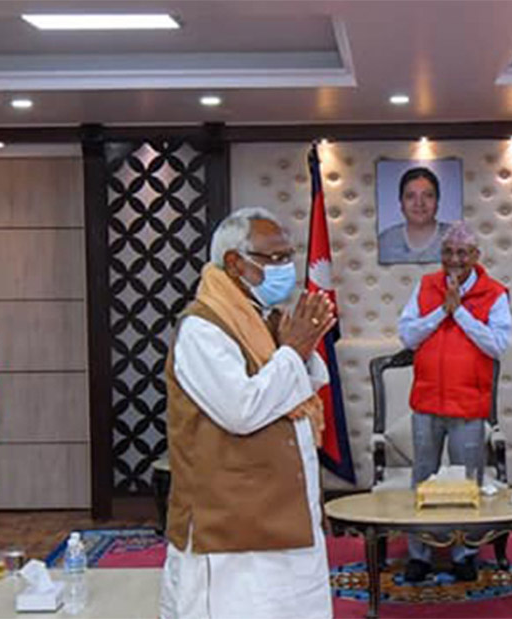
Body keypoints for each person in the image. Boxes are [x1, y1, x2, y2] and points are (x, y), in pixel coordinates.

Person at [160, 207, 337, 619]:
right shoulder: (203, 328)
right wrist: (294, 351)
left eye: (288, 256)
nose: (286, 268)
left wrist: (299, 351)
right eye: (274, 258)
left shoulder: (259, 319)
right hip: (231, 528)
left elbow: (295, 389)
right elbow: (241, 409)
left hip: (282, 514)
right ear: (235, 263)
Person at [397, 221, 512, 582]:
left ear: (476, 256)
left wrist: (460, 312)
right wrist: (442, 311)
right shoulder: (426, 286)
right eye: (448, 252)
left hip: (468, 404)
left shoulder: (494, 293)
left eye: (463, 252)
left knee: (468, 481)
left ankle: (465, 554)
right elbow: (408, 335)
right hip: (427, 401)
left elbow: (497, 345)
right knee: (422, 477)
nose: (454, 259)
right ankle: (419, 555)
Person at [378, 167, 452, 264]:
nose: (419, 203)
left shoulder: (455, 237)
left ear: (437, 200)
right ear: (401, 202)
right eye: (410, 196)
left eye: (428, 195)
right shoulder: (384, 243)